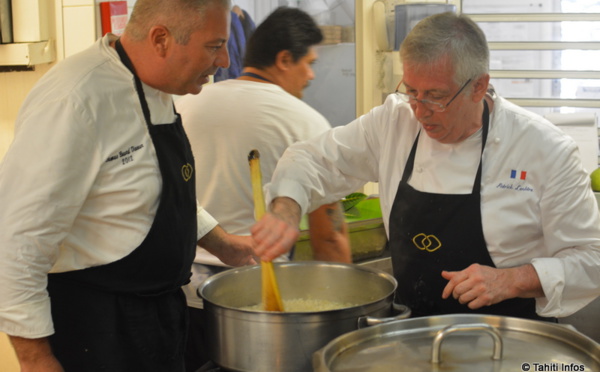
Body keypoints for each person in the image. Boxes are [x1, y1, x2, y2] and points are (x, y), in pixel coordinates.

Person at [251, 11, 600, 321]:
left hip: (510, 338)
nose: (420, 110)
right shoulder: (393, 122)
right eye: (412, 91)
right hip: (411, 334)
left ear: (479, 86)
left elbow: (592, 260)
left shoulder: (545, 149)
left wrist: (512, 279)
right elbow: (311, 157)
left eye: (436, 95)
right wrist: (286, 207)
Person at [0, 0, 258, 371]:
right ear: (161, 39)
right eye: (214, 46)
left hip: (159, 317)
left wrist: (222, 243)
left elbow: (145, 191)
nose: (224, 61)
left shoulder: (155, 83)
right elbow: (16, 241)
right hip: (97, 330)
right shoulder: (75, 101)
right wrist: (36, 358)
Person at [175, 7, 350, 370]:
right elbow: (329, 236)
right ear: (284, 59)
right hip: (256, 310)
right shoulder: (304, 120)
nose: (311, 75)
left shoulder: (187, 103)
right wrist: (343, 317)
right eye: (309, 63)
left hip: (180, 294)